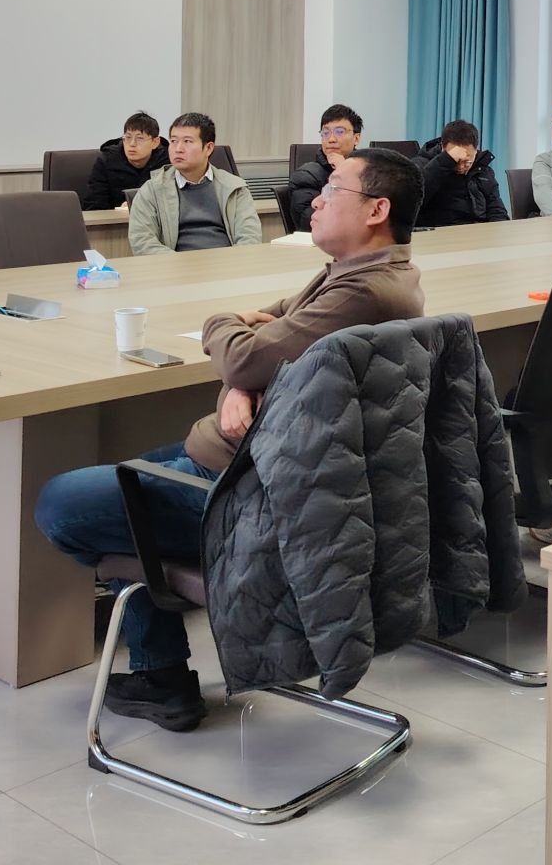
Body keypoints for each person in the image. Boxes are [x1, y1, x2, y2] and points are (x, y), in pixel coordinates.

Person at [34, 147, 426, 735]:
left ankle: (163, 672)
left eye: (333, 190)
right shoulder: (363, 274)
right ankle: (159, 673)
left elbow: (244, 347)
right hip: (255, 464)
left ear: (377, 210)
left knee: (65, 506)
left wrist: (226, 334)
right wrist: (240, 383)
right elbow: (261, 345)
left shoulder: (362, 294)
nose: (316, 200)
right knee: (125, 487)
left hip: (253, 491)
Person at [126, 113, 262, 254]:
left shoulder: (234, 187)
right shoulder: (152, 189)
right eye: (173, 141)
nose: (178, 149)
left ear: (208, 148)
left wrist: (227, 263)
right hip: (174, 265)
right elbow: (142, 242)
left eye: (187, 141)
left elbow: (250, 238)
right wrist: (180, 264)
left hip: (226, 263)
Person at [417, 119, 508, 227]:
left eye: (467, 161)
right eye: (456, 160)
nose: (461, 167)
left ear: (476, 151)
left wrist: (498, 230)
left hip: (479, 231)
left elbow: (496, 209)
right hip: (442, 231)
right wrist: (445, 161)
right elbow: (412, 199)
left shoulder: (482, 169)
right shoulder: (422, 165)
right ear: (443, 148)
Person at [288, 104, 363, 217]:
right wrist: (344, 173)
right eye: (326, 133)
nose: (331, 139)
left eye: (340, 132)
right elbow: (311, 220)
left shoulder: (368, 169)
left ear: (356, 138)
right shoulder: (306, 177)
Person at [82, 111, 167, 210]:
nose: (132, 144)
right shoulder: (107, 161)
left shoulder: (166, 162)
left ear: (155, 142)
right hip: (115, 219)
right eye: (128, 137)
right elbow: (93, 206)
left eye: (139, 138)